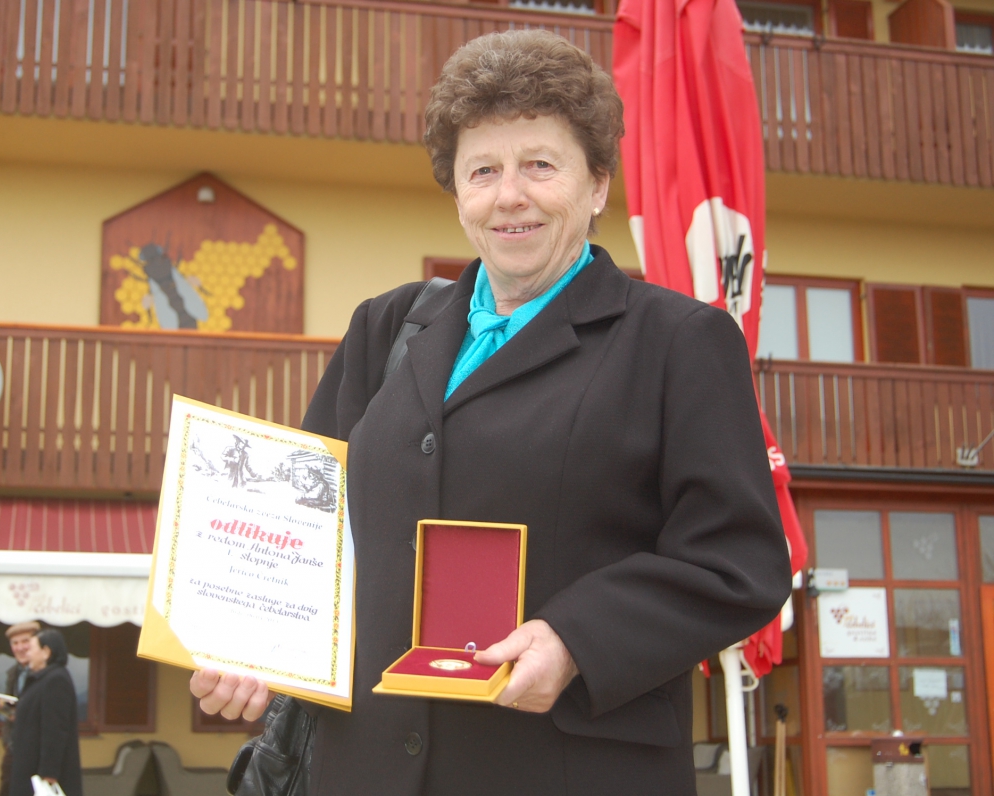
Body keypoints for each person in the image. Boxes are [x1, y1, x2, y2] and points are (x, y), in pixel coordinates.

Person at [191, 29, 791, 795]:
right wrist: (254, 643)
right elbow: (306, 523)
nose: (510, 195)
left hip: (565, 771)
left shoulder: (679, 341)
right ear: (458, 193)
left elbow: (737, 562)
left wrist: (576, 640)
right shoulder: (386, 327)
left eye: (540, 165)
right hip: (364, 770)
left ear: (597, 184)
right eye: (483, 170)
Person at [10, 629, 83, 796]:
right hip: (30, 767)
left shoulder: (56, 680)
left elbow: (56, 729)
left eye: (31, 648)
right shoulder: (41, 679)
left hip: (41, 774)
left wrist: (49, 772)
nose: (27, 653)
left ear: (46, 652)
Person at [0, 621, 41, 796]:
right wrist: (5, 710)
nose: (20, 648)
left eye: (25, 641)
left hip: (38, 750)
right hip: (14, 747)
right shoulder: (13, 674)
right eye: (15, 643)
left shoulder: (48, 674)